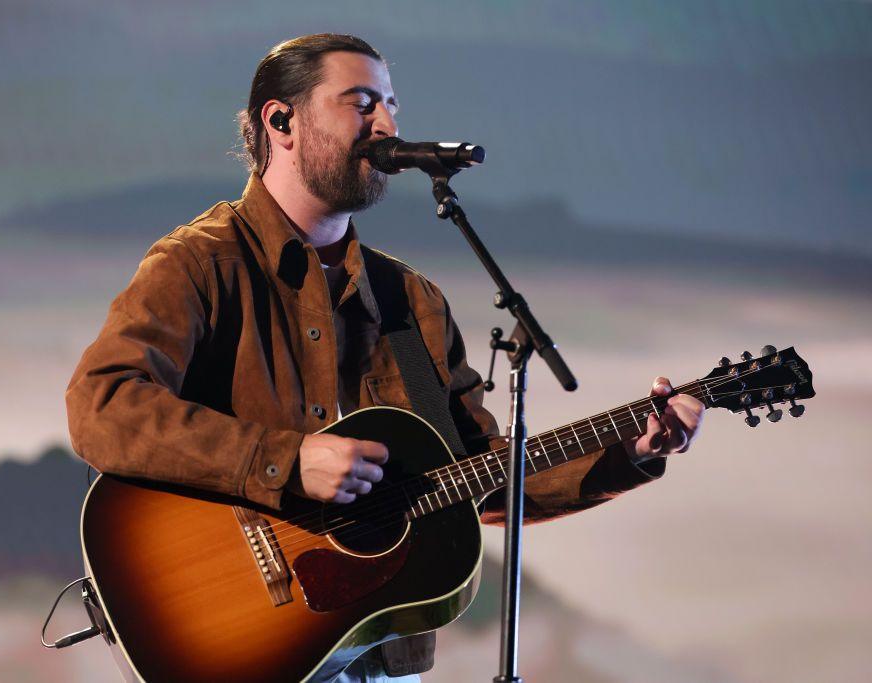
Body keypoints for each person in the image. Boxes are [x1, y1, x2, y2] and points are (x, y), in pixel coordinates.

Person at [65, 33, 705, 683]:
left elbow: (482, 476)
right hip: (241, 641)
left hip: (379, 660)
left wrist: (634, 447)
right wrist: (288, 462)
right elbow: (100, 405)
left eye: (392, 105)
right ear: (281, 121)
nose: (389, 124)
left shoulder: (410, 301)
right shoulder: (201, 262)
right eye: (362, 102)